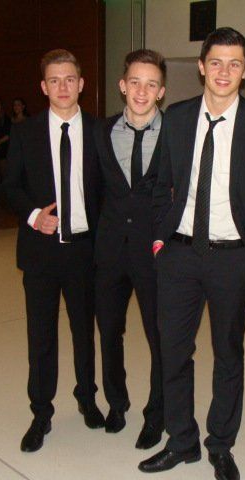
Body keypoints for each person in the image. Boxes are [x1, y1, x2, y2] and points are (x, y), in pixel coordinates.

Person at [138, 27, 245, 480]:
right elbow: (161, 183)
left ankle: (220, 444)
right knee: (173, 351)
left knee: (228, 353)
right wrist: (160, 239)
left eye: (234, 63)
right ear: (202, 66)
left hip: (233, 259)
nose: (224, 71)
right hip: (179, 254)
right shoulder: (178, 118)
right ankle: (181, 441)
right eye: (216, 62)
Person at [2, 49, 104, 453]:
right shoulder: (24, 133)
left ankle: (87, 398)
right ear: (43, 87)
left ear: (81, 84)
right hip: (41, 253)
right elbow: (10, 186)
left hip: (85, 253)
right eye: (54, 80)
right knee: (41, 336)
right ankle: (41, 413)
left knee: (84, 333)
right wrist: (33, 216)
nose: (63, 87)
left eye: (70, 79)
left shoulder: (99, 131)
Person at [94, 49, 166, 449]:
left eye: (151, 84)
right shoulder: (101, 132)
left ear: (161, 91)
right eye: (135, 82)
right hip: (109, 252)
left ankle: (156, 414)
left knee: (160, 336)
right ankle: (117, 403)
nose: (142, 91)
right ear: (122, 85)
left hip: (154, 254)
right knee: (109, 331)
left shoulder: (175, 133)